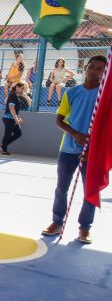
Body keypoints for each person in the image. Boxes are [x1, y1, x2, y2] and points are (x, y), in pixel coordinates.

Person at [41, 55, 107, 244]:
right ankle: (57, 222)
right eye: (92, 66)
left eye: (100, 69)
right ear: (86, 67)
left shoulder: (105, 96)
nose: (94, 71)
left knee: (90, 190)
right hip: (68, 149)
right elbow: (59, 120)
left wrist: (94, 144)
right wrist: (75, 133)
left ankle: (85, 228)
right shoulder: (72, 93)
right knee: (62, 188)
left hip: (92, 152)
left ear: (104, 73)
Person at [0, 82, 27, 156]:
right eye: (22, 88)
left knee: (18, 133)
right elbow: (11, 108)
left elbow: (15, 109)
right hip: (9, 119)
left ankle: (3, 145)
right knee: (7, 134)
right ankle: (4, 151)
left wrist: (18, 118)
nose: (23, 90)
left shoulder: (16, 96)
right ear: (17, 87)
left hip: (12, 119)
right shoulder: (12, 96)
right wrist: (16, 119)